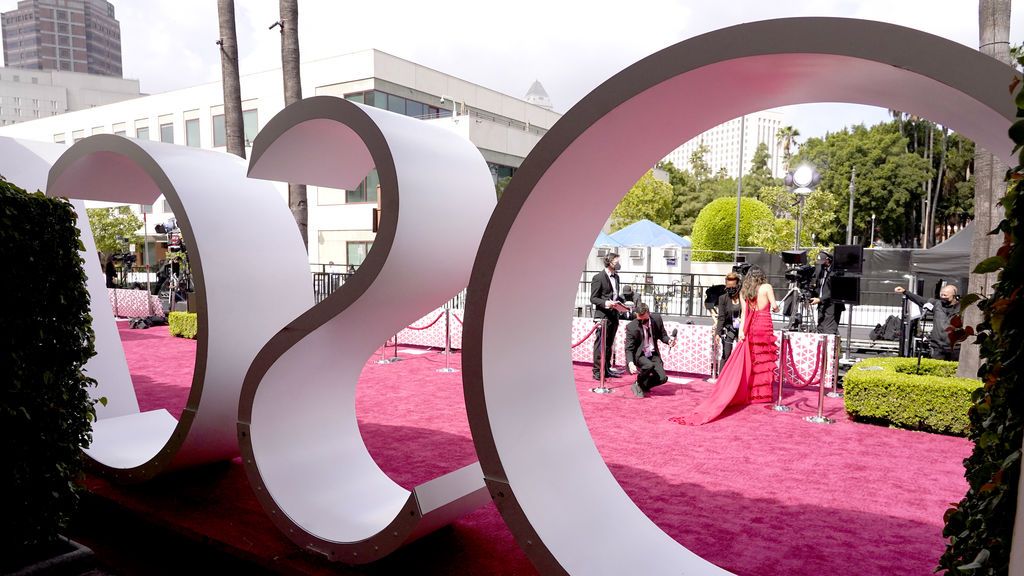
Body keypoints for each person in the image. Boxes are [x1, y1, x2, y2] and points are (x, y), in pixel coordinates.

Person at [671, 266, 779, 425]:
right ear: (762, 276)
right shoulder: (766, 287)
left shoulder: (745, 292)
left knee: (754, 360)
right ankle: (762, 395)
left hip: (752, 327)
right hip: (765, 325)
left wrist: (742, 331)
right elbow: (774, 306)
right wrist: (775, 307)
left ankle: (751, 393)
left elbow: (744, 314)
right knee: (763, 361)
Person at [895, 284, 960, 360]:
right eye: (941, 295)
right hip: (937, 347)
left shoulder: (961, 307)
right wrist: (905, 292)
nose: (943, 298)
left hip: (955, 348)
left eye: (946, 296)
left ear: (955, 296)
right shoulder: (936, 304)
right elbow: (920, 300)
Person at [624, 302, 675, 398]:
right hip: (640, 354)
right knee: (649, 365)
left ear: (649, 313)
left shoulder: (657, 319)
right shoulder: (631, 326)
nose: (642, 322)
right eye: (640, 320)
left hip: (652, 353)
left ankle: (642, 385)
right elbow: (629, 348)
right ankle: (638, 382)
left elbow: (663, 335)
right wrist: (630, 363)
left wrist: (669, 341)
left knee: (662, 378)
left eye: (645, 320)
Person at [591, 252, 625, 380]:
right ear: (609, 262)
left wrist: (621, 304)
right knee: (600, 345)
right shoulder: (598, 277)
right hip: (602, 316)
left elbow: (614, 294)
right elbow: (593, 298)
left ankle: (606, 368)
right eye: (616, 262)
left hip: (614, 316)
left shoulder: (616, 277)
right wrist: (606, 303)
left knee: (609, 344)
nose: (618, 264)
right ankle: (597, 371)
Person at [713, 272, 742, 372]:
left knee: (742, 355)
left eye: (733, 287)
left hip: (743, 330)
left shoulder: (744, 297)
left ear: (738, 285)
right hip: (729, 328)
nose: (731, 289)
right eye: (728, 287)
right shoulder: (723, 299)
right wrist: (717, 333)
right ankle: (722, 378)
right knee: (726, 354)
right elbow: (721, 318)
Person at [810, 251, 845, 334]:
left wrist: (820, 299)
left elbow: (835, 290)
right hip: (822, 303)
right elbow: (818, 285)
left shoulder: (837, 271)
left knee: (829, 330)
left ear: (828, 260)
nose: (821, 264)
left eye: (823, 262)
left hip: (832, 305)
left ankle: (831, 345)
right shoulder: (821, 269)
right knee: (821, 328)